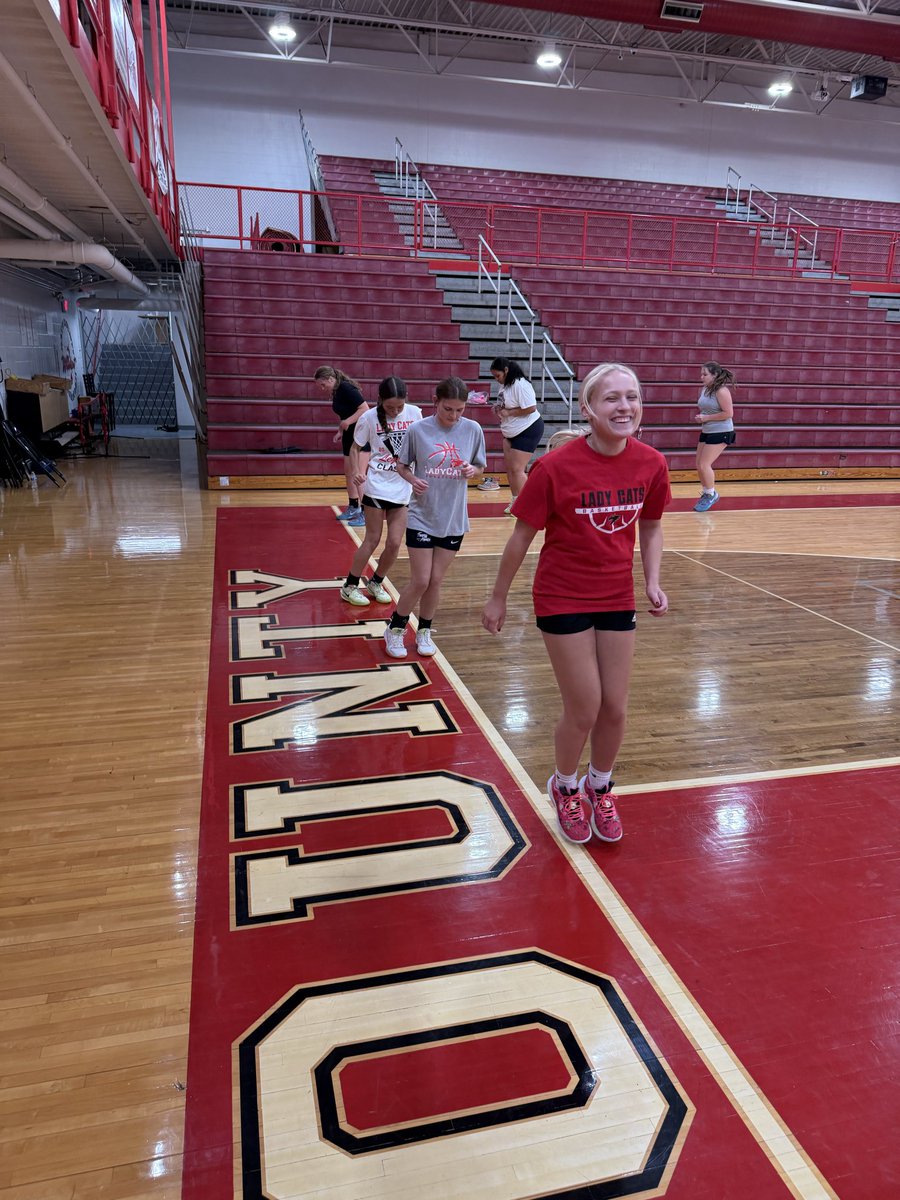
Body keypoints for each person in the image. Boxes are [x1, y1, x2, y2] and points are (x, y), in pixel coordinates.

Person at [482, 362, 670, 846]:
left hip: (616, 595)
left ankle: (599, 786)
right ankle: (565, 787)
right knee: (584, 706)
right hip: (562, 595)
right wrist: (497, 597)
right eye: (611, 398)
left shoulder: (652, 463)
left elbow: (650, 525)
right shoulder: (555, 467)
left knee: (616, 708)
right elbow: (521, 536)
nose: (624, 406)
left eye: (631, 396)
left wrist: (652, 580)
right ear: (588, 408)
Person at [383, 376, 487, 659]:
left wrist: (472, 472)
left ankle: (425, 630)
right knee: (421, 579)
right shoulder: (418, 430)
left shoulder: (473, 430)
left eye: (460, 410)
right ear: (435, 403)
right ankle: (395, 628)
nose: (454, 416)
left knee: (436, 580)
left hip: (453, 518)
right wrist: (412, 479)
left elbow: (479, 467)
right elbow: (402, 466)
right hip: (421, 515)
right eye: (448, 409)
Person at [340, 377, 423, 607]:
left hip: (403, 487)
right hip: (377, 486)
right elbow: (356, 447)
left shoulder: (415, 413)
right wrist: (357, 470)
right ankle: (349, 586)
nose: (396, 411)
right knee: (372, 539)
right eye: (390, 407)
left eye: (400, 406)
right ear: (380, 401)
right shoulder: (368, 418)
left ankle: (376, 582)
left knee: (395, 543)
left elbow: (421, 444)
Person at [489, 357, 544, 515]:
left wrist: (509, 412)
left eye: (497, 375)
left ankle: (531, 505)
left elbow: (531, 408)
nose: (496, 379)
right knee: (511, 470)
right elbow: (506, 405)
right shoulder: (504, 386)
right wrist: (498, 408)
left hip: (528, 429)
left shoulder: (520, 384)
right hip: (510, 432)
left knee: (517, 469)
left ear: (506, 370)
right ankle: (516, 501)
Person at [314, 365, 368, 526]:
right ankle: (354, 506)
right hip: (349, 435)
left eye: (323, 385)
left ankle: (366, 513)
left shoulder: (346, 388)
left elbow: (365, 409)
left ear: (331, 379)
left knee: (358, 475)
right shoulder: (336, 390)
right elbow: (346, 413)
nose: (322, 388)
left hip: (361, 435)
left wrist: (347, 422)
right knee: (349, 472)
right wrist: (340, 430)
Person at [693, 361, 736, 512]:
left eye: (705, 374)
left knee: (705, 464)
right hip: (708, 430)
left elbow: (728, 413)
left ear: (715, 375)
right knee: (699, 464)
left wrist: (706, 418)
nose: (701, 377)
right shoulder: (705, 389)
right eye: (701, 374)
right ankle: (706, 493)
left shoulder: (722, 391)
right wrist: (704, 418)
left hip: (722, 431)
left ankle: (711, 494)